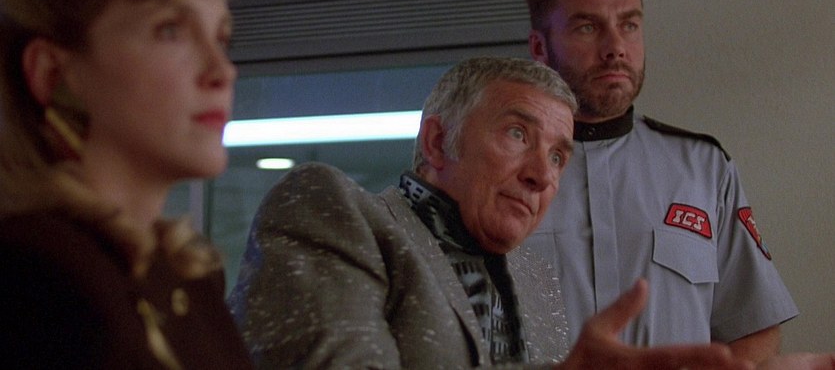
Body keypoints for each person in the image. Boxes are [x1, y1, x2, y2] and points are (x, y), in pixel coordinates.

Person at [228, 56, 756, 369]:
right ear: (438, 142)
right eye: (517, 134)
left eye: (558, 156)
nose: (542, 175)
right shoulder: (332, 211)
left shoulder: (534, 277)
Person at [0, 0, 252, 368]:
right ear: (53, 72)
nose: (222, 71)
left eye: (222, 38)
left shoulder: (193, 280)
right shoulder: (31, 278)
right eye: (171, 30)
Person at [523, 0, 798, 364]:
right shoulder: (501, 172)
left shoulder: (703, 167)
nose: (615, 47)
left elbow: (753, 325)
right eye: (587, 27)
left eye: (629, 25)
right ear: (540, 47)